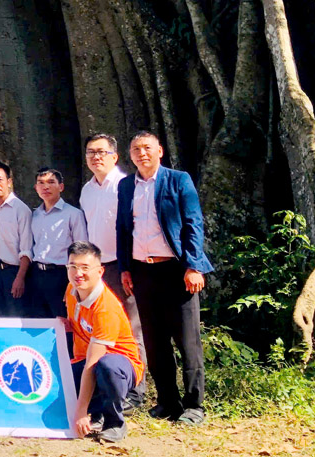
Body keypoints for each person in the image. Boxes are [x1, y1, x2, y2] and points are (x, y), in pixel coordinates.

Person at [118, 131, 214, 425]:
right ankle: (167, 401)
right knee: (155, 341)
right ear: (130, 155)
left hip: (176, 270)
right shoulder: (125, 186)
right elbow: (123, 229)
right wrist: (125, 268)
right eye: (136, 149)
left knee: (187, 341)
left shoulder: (177, 179)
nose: (141, 153)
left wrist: (194, 265)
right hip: (142, 272)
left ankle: (194, 405)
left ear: (160, 150)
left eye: (147, 147)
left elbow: (193, 223)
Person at [79, 132, 146, 408]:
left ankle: (136, 391)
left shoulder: (125, 185)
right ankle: (107, 389)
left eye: (101, 152)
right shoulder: (86, 190)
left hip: (122, 266)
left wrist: (128, 266)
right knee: (98, 329)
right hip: (96, 270)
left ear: (115, 156)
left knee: (132, 328)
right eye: (91, 153)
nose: (96, 157)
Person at [65, 241, 143, 443]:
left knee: (105, 367)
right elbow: (80, 324)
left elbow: (93, 362)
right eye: (73, 266)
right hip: (86, 360)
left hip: (119, 365)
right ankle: (96, 413)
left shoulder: (105, 307)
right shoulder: (71, 290)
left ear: (100, 271)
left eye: (84, 268)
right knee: (56, 376)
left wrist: (81, 411)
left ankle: (114, 423)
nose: (77, 273)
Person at [27, 168, 88, 320]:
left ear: (61, 186)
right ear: (36, 188)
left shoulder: (73, 214)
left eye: (51, 182)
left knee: (63, 321)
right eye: (41, 183)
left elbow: (82, 249)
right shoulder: (34, 215)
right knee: (39, 322)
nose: (45, 187)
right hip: (37, 274)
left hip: (61, 275)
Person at [0, 159, 32, 317]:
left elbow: (27, 248)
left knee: (17, 319)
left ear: (9, 182)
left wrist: (20, 278)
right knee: (1, 319)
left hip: (14, 273)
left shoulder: (21, 210)